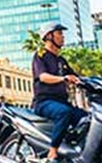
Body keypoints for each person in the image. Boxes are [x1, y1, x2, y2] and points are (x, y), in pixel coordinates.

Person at [32, 22, 87, 163]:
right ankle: (53, 151)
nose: (63, 37)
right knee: (64, 113)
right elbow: (43, 76)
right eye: (59, 33)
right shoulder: (40, 55)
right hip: (44, 102)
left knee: (86, 118)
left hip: (62, 102)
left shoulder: (61, 60)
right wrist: (63, 78)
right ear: (49, 36)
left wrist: (92, 83)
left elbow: (76, 77)